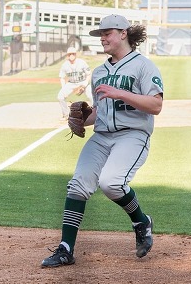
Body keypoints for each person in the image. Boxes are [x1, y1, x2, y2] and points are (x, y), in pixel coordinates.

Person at [41, 14, 163, 268]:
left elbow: (156, 105)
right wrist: (82, 119)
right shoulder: (99, 72)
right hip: (102, 136)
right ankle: (66, 249)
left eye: (107, 33)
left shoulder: (143, 66)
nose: (103, 38)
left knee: (111, 183)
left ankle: (141, 222)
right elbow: (99, 112)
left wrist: (121, 93)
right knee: (78, 185)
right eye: (100, 34)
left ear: (123, 33)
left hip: (132, 135)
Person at [56, 46, 93, 118]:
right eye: (70, 54)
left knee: (91, 96)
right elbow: (62, 78)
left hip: (83, 82)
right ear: (67, 55)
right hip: (71, 83)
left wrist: (84, 85)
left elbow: (89, 74)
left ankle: (94, 113)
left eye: (73, 54)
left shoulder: (82, 62)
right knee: (60, 97)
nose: (71, 56)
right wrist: (64, 89)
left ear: (75, 54)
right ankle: (66, 115)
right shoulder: (65, 65)